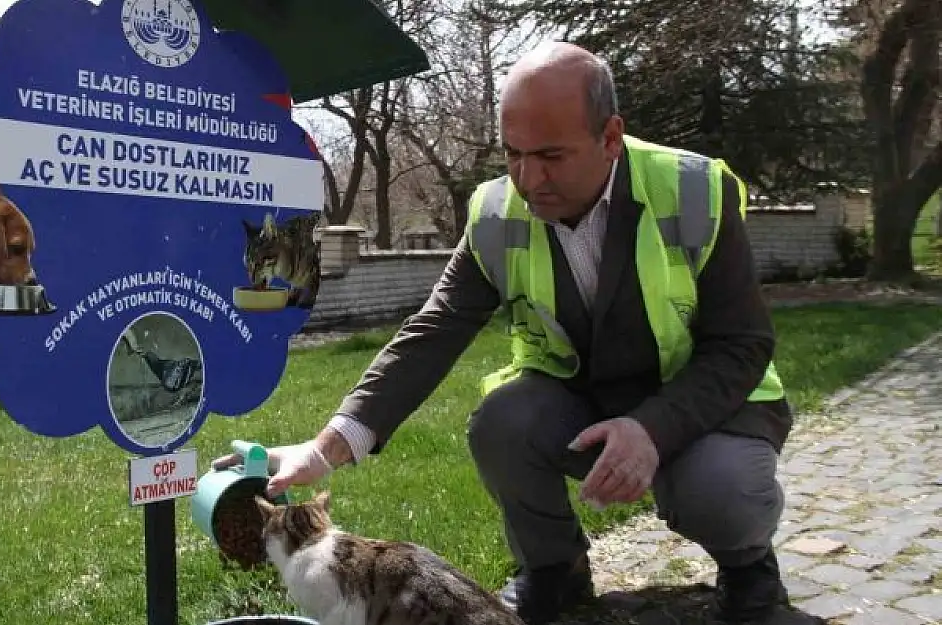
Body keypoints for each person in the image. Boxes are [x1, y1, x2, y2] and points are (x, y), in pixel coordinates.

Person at [214, 42, 814, 625]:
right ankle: (555, 570)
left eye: (551, 156)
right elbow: (435, 330)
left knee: (725, 487)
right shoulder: (497, 214)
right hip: (581, 403)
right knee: (502, 421)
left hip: (700, 407)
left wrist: (652, 428)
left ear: (610, 138)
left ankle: (749, 569)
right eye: (514, 155)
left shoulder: (693, 190)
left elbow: (744, 344)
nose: (528, 178)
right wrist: (327, 447)